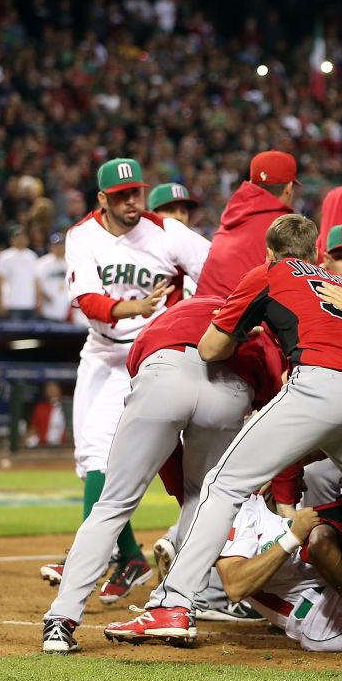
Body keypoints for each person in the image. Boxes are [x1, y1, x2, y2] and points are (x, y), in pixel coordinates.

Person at [103, 214, 342, 649]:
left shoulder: (270, 271)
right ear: (317, 254)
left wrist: (245, 326)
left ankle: (171, 605)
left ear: (270, 252)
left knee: (221, 484)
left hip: (322, 380)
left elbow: (211, 347)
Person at [41, 294, 283, 653]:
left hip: (163, 371)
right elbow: (275, 399)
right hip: (232, 391)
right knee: (205, 501)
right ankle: (177, 607)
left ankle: (60, 622)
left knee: (114, 503)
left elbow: (142, 371)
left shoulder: (178, 311)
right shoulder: (260, 329)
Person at [42, 157, 208, 600]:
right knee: (87, 459)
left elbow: (217, 275)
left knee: (101, 451)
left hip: (151, 353)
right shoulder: (82, 236)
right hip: (101, 351)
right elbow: (88, 300)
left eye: (136, 191)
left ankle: (87, 555)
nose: (132, 200)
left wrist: (186, 315)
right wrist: (129, 308)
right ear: (103, 199)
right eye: (121, 195)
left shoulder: (168, 233)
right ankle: (130, 554)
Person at [215, 495, 342, 653]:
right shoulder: (239, 509)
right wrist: (292, 538)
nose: (302, 483)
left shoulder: (291, 499)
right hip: (320, 620)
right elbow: (235, 586)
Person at [195, 151, 298, 298]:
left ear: (251, 183)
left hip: (199, 311)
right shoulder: (284, 225)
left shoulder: (234, 211)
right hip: (236, 317)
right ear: (288, 188)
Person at [0, 226, 38, 320]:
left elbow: (36, 280)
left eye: (23, 237)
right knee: (15, 334)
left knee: (31, 334)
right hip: (12, 303)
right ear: (11, 239)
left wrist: (38, 300)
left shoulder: (32, 256)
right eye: (17, 237)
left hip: (30, 303)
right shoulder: (4, 256)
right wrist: (0, 301)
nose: (20, 240)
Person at [34, 232, 70, 321]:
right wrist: (41, 299)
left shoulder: (71, 262)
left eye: (61, 245)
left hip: (67, 310)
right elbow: (37, 283)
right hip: (48, 308)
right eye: (55, 245)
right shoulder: (43, 263)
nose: (58, 248)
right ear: (50, 246)